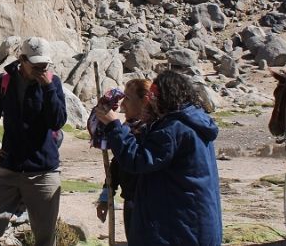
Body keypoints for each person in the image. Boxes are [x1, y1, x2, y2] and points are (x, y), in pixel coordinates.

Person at [95, 70, 222, 246]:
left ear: (165, 98)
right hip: (192, 220)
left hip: (178, 227)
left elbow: (137, 160)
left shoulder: (174, 129)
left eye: (154, 97)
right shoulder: (191, 123)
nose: (151, 102)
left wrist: (114, 126)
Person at [0, 37, 67, 246]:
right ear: (21, 59)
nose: (40, 68)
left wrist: (48, 89)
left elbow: (57, 122)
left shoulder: (52, 83)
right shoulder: (3, 82)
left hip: (43, 171)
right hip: (9, 168)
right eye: (35, 64)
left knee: (44, 235)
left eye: (44, 65)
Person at [94, 79, 152, 243]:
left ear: (144, 101)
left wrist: (114, 126)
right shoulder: (128, 128)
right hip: (131, 201)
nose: (122, 106)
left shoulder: (152, 132)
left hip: (147, 204)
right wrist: (106, 196)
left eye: (127, 98)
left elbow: (135, 159)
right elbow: (117, 164)